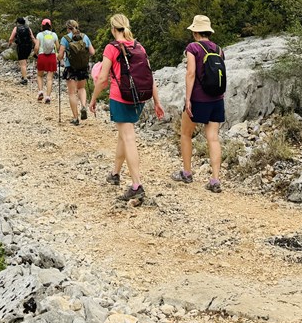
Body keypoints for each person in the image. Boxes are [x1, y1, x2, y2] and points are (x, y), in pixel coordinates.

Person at [89, 14, 165, 201]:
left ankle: (136, 185)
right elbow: (150, 75)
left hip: (120, 98)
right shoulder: (139, 46)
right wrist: (156, 102)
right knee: (123, 136)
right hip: (139, 99)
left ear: (113, 29)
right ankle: (115, 173)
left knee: (128, 137)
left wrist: (93, 99)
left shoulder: (112, 48)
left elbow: (102, 78)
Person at [172, 15, 225, 193]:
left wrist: (188, 99)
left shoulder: (192, 48)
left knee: (186, 134)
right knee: (213, 138)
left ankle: (187, 173)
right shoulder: (219, 49)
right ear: (209, 31)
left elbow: (191, 73)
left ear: (195, 31)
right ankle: (215, 180)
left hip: (198, 99)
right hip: (217, 99)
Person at [58, 19, 95, 125]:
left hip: (70, 68)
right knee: (81, 88)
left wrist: (58, 57)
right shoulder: (84, 37)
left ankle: (75, 118)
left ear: (68, 28)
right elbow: (92, 52)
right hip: (83, 67)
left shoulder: (65, 38)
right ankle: (83, 106)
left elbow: (60, 56)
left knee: (72, 93)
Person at [35, 18, 59, 103]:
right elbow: (58, 47)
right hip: (51, 56)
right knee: (49, 78)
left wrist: (36, 53)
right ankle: (48, 96)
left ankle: (41, 91)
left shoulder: (39, 35)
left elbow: (37, 47)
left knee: (40, 75)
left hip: (42, 56)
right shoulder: (54, 34)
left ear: (42, 25)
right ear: (50, 26)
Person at [8, 17, 38, 85]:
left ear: (18, 22)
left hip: (21, 46)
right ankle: (23, 75)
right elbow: (32, 37)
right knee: (25, 61)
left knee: (22, 63)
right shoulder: (28, 28)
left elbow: (11, 38)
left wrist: (9, 44)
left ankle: (25, 79)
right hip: (28, 46)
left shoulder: (16, 28)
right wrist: (37, 45)